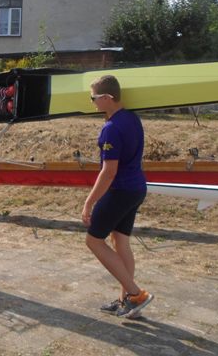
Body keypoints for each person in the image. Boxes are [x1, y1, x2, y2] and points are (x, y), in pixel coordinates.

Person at [81, 75, 153, 318]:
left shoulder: (111, 129)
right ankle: (128, 301)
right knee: (120, 242)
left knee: (93, 241)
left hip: (120, 190)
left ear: (107, 98)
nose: (92, 102)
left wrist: (89, 202)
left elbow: (109, 172)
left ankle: (136, 294)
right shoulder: (132, 118)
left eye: (93, 98)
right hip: (136, 188)